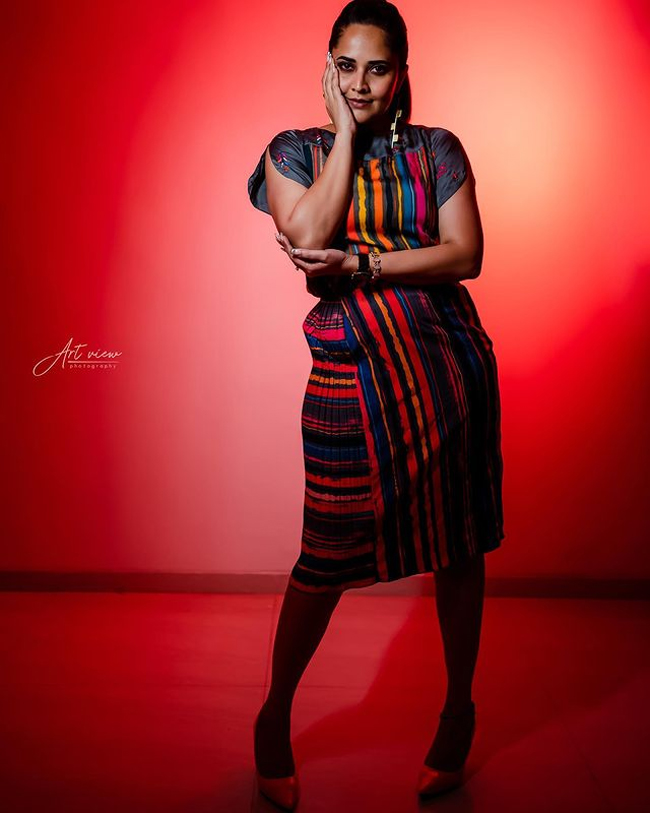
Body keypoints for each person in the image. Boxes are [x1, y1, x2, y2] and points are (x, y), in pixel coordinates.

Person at [246, 1, 505, 808]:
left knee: (459, 547)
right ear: (328, 68)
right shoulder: (296, 151)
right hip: (350, 375)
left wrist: (360, 266)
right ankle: (274, 713)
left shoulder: (438, 150)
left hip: (447, 371)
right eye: (347, 66)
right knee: (323, 554)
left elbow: (467, 253)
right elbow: (307, 238)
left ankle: (457, 711)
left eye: (378, 68)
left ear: (401, 75)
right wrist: (345, 136)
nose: (361, 83)